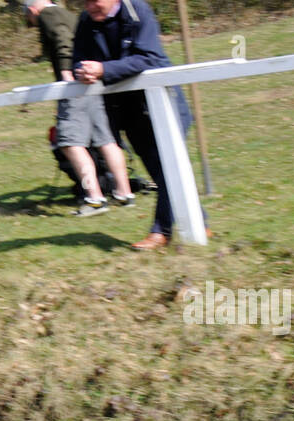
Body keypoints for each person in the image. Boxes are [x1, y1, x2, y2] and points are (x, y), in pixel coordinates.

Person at [74, 0, 203, 250]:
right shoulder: (85, 21)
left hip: (163, 104)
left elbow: (150, 58)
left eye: (94, 0)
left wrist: (103, 69)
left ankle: (161, 232)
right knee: (161, 172)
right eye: (84, 2)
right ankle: (201, 220)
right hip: (127, 111)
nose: (89, 6)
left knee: (168, 170)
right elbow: (78, 58)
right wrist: (83, 70)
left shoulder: (138, 11)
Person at [22, 0, 134, 217]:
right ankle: (124, 193)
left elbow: (63, 40)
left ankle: (94, 198)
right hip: (93, 80)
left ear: (31, 10)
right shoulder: (67, 13)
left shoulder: (47, 15)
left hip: (75, 84)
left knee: (68, 142)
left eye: (28, 18)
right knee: (105, 139)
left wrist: (66, 75)